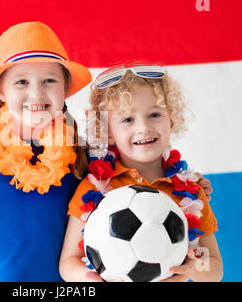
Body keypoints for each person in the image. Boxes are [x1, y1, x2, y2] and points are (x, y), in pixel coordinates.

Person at [0, 22, 214, 281]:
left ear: (65, 90)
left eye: (49, 80)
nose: (36, 94)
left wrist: (186, 186)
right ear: (0, 91)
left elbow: (132, 178)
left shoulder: (83, 155)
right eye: (21, 81)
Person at [59, 64, 223, 282]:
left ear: (171, 121)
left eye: (154, 114)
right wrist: (90, 278)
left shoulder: (190, 194)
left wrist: (192, 270)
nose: (143, 127)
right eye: (127, 119)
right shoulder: (93, 187)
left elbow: (215, 268)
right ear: (107, 132)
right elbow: (68, 262)